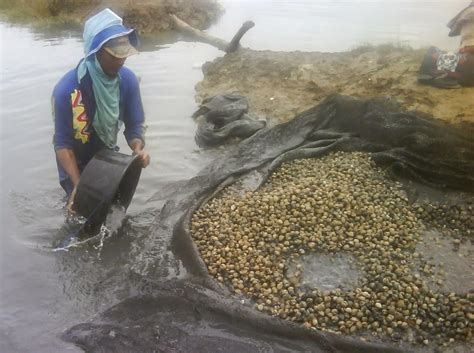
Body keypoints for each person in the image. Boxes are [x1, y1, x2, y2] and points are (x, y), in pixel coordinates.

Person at [52, 8, 150, 212]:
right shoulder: (67, 90)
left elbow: (134, 125)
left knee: (111, 211)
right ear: (95, 52)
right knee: (78, 213)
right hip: (74, 162)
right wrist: (78, 185)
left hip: (106, 157)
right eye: (113, 55)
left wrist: (138, 149)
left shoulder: (128, 81)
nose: (121, 60)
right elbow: (63, 143)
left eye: (123, 54)